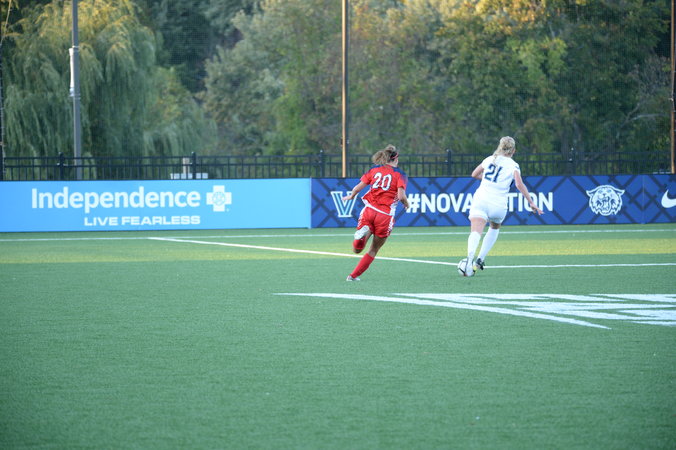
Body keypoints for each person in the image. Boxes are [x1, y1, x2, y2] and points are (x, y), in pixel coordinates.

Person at [462, 136, 544, 277]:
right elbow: (518, 184)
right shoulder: (513, 165)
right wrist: (531, 202)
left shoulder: (490, 159)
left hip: (481, 199)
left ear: (500, 147)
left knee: (476, 231)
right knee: (494, 227)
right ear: (514, 150)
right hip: (498, 204)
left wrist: (488, 180)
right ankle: (480, 258)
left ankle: (469, 257)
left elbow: (474, 174)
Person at [342, 144, 410, 281]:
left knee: (357, 249)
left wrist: (351, 196)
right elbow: (401, 196)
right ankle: (353, 276)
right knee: (373, 249)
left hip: (369, 210)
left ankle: (360, 237)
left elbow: (358, 187)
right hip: (385, 216)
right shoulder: (400, 174)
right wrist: (407, 204)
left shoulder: (374, 169)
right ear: (396, 159)